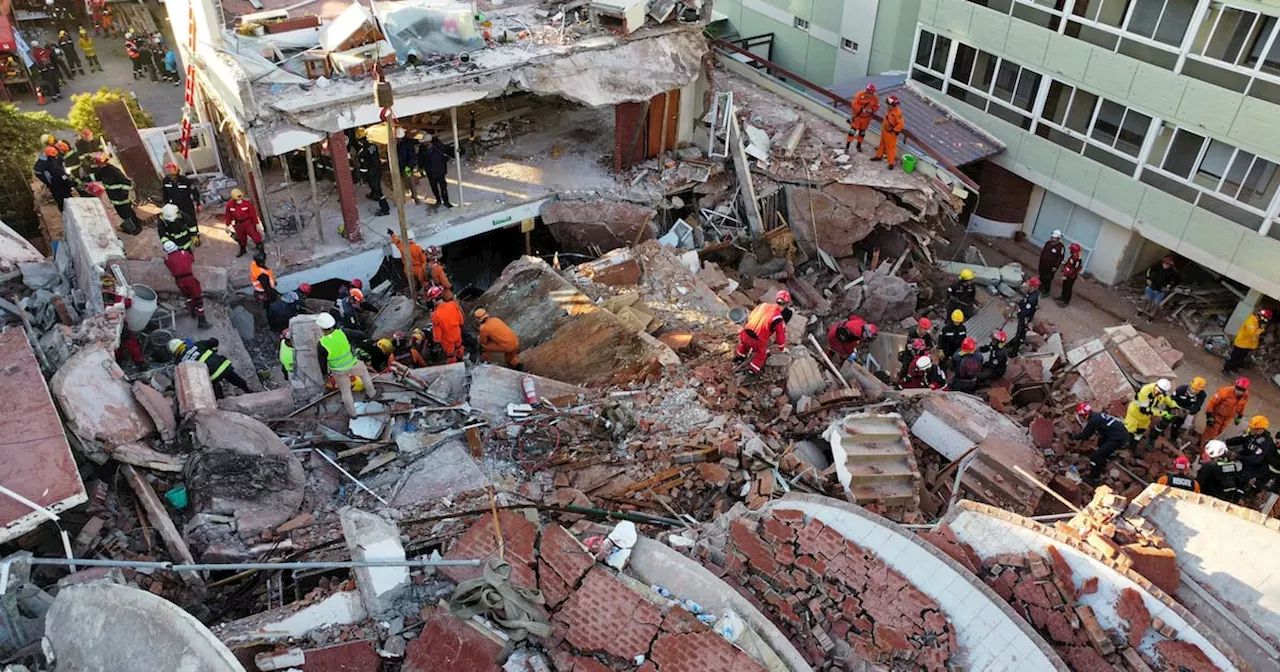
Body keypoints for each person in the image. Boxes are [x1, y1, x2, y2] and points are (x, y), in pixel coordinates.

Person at [316, 313, 377, 416]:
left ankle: (353, 413)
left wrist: (325, 375)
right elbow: (361, 335)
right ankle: (372, 394)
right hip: (353, 363)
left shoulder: (321, 344)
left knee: (346, 392)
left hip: (339, 371)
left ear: (321, 328)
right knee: (365, 375)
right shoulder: (343, 333)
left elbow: (322, 363)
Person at [1070, 402, 1132, 484]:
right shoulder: (1097, 415)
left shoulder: (1093, 421)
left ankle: (1094, 477)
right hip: (1120, 432)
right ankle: (1104, 457)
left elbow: (1086, 435)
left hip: (1118, 437)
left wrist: (1074, 437)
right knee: (1101, 442)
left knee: (1096, 456)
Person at [169, 338, 251, 397]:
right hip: (222, 366)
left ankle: (221, 400)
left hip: (211, 377)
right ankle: (249, 391)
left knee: (213, 389)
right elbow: (214, 341)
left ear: (174, 353)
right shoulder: (197, 345)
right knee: (236, 380)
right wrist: (214, 351)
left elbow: (177, 379)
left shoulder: (179, 363)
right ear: (183, 344)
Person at [733, 291, 791, 375]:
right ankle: (752, 370)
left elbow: (751, 316)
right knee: (761, 355)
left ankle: (739, 356)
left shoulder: (763, 305)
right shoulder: (778, 318)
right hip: (757, 341)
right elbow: (780, 336)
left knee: (744, 345)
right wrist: (781, 348)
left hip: (745, 334)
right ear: (786, 304)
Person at [87, 153, 140, 233]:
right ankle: (131, 227)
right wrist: (88, 176)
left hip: (122, 198)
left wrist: (123, 193)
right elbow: (97, 177)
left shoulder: (114, 170)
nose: (98, 166)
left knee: (128, 213)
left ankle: (136, 228)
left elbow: (126, 182)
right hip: (114, 198)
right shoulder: (102, 171)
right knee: (122, 214)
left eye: (98, 164)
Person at [162, 240, 208, 328]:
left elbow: (170, 265)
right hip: (189, 278)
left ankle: (192, 312)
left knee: (188, 297)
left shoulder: (167, 259)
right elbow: (191, 259)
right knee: (197, 298)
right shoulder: (184, 253)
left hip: (179, 281)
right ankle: (202, 321)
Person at [1226, 415, 1274, 494]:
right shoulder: (1252, 434)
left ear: (1260, 429)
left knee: (1240, 482)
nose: (1250, 429)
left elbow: (1256, 459)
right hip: (1244, 459)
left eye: (1253, 428)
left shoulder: (1266, 442)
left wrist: (1238, 457)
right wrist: (1226, 442)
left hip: (1254, 468)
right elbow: (1241, 439)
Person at [1123, 378, 1175, 448]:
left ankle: (1133, 446)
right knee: (1129, 430)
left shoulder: (1162, 394)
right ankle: (1122, 444)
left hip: (1145, 417)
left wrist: (1177, 406)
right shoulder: (1145, 391)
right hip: (1135, 414)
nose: (1158, 393)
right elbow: (1144, 410)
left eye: (1160, 392)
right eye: (1157, 391)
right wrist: (1163, 413)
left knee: (1140, 431)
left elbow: (1169, 401)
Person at [1155, 377, 1207, 443]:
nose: (1193, 391)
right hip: (1173, 408)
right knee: (1165, 422)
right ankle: (1155, 435)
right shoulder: (1181, 389)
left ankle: (1173, 438)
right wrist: (1172, 410)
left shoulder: (1202, 395)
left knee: (1177, 425)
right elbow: (1171, 399)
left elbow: (1197, 406)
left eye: (1196, 390)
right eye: (1192, 388)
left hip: (1185, 411)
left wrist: (1188, 411)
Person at [1224, 307, 1270, 375]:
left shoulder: (1256, 321)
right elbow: (1252, 334)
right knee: (1234, 357)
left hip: (1247, 344)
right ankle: (1226, 369)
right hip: (1241, 343)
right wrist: (1261, 329)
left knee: (1240, 358)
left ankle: (1234, 367)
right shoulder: (1251, 322)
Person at [428, 285, 465, 364]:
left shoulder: (435, 315)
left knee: (450, 356)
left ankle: (455, 367)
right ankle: (462, 359)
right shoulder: (453, 304)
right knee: (459, 348)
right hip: (457, 333)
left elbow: (437, 334)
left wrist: (436, 342)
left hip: (447, 339)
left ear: (434, 300)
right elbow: (461, 320)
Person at [419, 133, 456, 209]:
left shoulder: (438, 146)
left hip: (439, 170)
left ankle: (446, 201)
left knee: (443, 187)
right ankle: (438, 200)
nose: (423, 143)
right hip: (430, 171)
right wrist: (421, 168)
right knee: (434, 186)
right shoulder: (422, 148)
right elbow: (421, 159)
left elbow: (446, 154)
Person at [34, 146, 75, 212]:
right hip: (56, 182)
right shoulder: (49, 163)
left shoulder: (50, 158)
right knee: (63, 198)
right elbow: (58, 172)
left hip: (55, 182)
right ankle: (68, 212)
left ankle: (67, 212)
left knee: (62, 198)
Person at [224, 188, 263, 257]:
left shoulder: (247, 204)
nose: (240, 201)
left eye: (240, 199)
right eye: (238, 200)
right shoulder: (230, 206)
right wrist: (227, 225)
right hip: (238, 224)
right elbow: (228, 216)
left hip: (248, 223)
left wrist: (257, 224)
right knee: (241, 238)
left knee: (255, 235)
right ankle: (243, 250)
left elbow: (253, 215)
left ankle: (261, 250)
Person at [356, 137, 390, 216]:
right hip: (377, 169)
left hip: (371, 173)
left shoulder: (363, 151)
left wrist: (362, 177)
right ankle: (373, 195)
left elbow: (363, 166)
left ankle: (385, 208)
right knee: (375, 186)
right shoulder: (373, 146)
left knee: (377, 189)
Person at [870, 95, 904, 169]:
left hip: (891, 133)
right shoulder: (890, 111)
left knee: (890, 147)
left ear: (892, 105)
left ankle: (891, 163)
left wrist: (894, 130)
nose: (887, 106)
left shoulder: (897, 113)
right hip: (885, 131)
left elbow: (901, 124)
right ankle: (879, 156)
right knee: (882, 144)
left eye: (888, 104)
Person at [1010, 278, 1041, 355]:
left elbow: (1026, 311)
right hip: (1025, 317)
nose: (1027, 286)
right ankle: (1016, 342)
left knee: (1020, 334)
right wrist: (1020, 303)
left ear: (1033, 287)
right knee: (1020, 332)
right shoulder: (1031, 294)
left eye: (1029, 285)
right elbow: (1024, 301)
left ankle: (1014, 352)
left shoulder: (1031, 299)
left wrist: (1018, 313)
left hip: (1025, 319)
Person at [844, 84, 879, 154]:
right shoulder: (859, 95)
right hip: (857, 117)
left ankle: (859, 145)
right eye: (868, 93)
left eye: (871, 93)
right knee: (852, 132)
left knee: (862, 133)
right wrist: (860, 109)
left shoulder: (875, 98)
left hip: (866, 118)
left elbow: (876, 106)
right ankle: (847, 146)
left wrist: (872, 110)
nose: (869, 95)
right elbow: (853, 104)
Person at [1038, 230, 1065, 296]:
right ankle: (1040, 287)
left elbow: (1060, 258)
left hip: (1051, 267)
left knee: (1048, 279)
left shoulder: (1061, 247)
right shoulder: (1048, 243)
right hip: (1043, 264)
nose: (1053, 238)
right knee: (1041, 276)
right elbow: (1043, 252)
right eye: (1052, 237)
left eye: (1054, 238)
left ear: (1058, 238)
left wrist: (1056, 266)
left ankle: (1046, 291)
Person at [397, 129, 420, 201]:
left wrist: (409, 167)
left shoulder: (407, 144)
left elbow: (412, 157)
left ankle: (415, 197)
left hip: (406, 166)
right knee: (402, 182)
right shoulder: (398, 143)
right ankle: (403, 197)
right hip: (401, 166)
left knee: (411, 182)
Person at [1058, 243, 1083, 307]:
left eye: (1071, 249)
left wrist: (1066, 274)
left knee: (1068, 288)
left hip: (1071, 276)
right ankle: (1062, 297)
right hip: (1068, 274)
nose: (1070, 251)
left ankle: (1066, 301)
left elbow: (1074, 268)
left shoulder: (1077, 258)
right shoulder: (1073, 256)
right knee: (1064, 286)